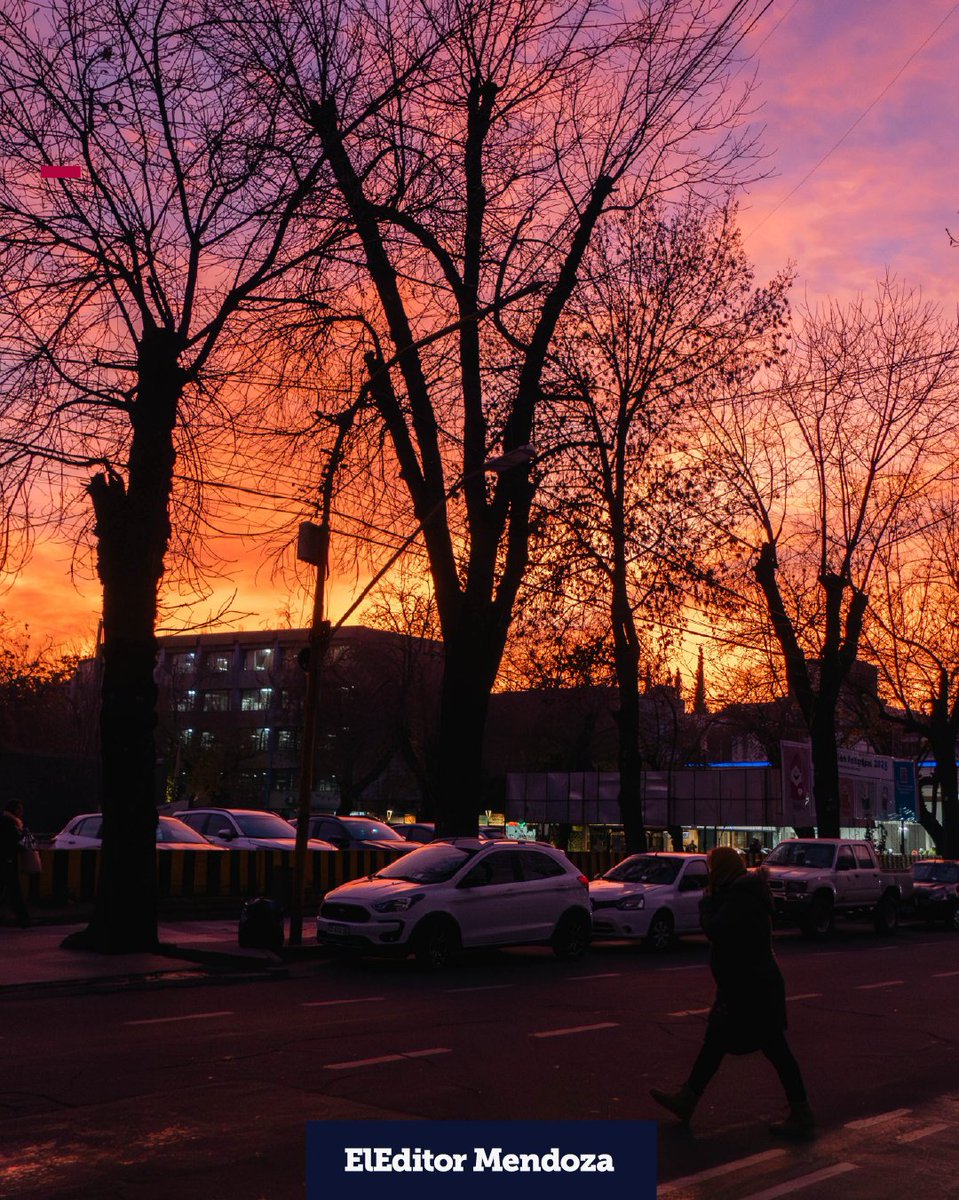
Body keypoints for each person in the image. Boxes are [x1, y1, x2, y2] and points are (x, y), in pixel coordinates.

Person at [650, 845, 814, 1138]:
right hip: (746, 985)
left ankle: (801, 1111)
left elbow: (718, 929)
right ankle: (688, 1098)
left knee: (773, 1047)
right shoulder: (743, 893)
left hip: (752, 988)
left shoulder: (741, 897)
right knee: (720, 1042)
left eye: (714, 869)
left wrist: (707, 903)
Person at [0, 799, 31, 928]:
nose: (21, 812)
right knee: (14, 890)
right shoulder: (10, 824)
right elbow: (16, 842)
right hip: (7, 860)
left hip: (5, 860)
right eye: (20, 809)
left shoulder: (6, 821)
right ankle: (23, 918)